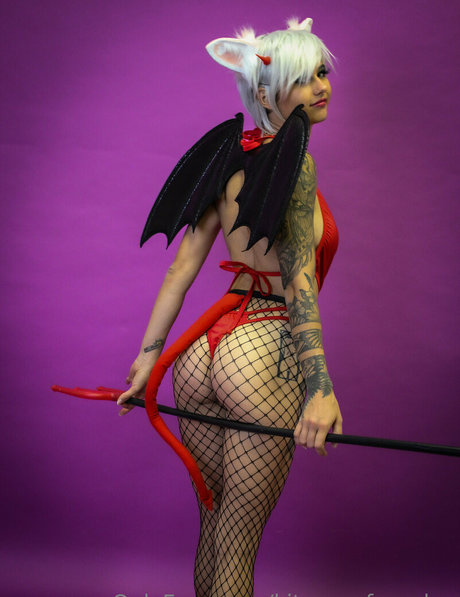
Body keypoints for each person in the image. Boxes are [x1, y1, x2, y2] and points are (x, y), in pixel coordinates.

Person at [117, 16, 343, 597]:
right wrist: (319, 386)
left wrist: (149, 359)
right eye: (302, 79)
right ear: (265, 94)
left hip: (201, 353)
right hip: (263, 350)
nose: (321, 86)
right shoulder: (297, 165)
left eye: (321, 72)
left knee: (216, 528)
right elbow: (299, 280)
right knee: (237, 542)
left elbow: (181, 269)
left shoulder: (227, 161)